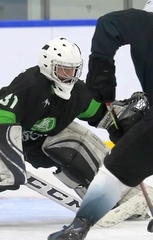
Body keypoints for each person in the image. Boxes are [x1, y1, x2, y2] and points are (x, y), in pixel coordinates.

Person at [0, 37, 146, 225]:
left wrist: (121, 123)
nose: (70, 76)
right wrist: (5, 153)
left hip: (34, 140)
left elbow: (101, 116)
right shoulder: (31, 84)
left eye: (74, 70)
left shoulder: (77, 93)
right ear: (48, 66)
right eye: (64, 70)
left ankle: (119, 195)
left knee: (73, 140)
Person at [48, 1, 153, 240]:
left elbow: (108, 24)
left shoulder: (145, 21)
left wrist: (101, 86)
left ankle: (79, 227)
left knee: (114, 172)